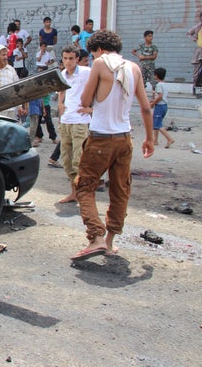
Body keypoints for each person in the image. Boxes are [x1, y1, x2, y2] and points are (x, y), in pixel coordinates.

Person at [71, 30, 154, 261]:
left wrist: (92, 104)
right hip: (124, 139)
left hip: (100, 138)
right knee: (120, 190)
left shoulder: (99, 64)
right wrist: (150, 138)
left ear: (98, 50)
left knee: (84, 187)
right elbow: (146, 108)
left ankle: (96, 237)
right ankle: (109, 242)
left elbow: (85, 101)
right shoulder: (134, 68)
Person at [56, 45, 92, 203]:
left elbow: (101, 88)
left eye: (71, 58)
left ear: (77, 59)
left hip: (80, 122)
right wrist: (60, 104)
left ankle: (84, 194)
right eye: (65, 58)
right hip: (65, 121)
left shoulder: (86, 73)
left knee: (79, 160)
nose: (68, 62)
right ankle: (74, 193)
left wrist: (92, 109)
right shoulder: (62, 74)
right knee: (67, 160)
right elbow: (61, 90)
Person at [149, 67, 175, 149]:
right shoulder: (165, 84)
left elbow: (160, 96)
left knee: (157, 125)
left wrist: (153, 103)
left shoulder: (159, 85)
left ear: (156, 75)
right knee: (157, 123)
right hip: (164, 106)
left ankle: (169, 139)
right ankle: (155, 140)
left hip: (160, 106)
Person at [190, 12, 202, 96]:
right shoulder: (198, 26)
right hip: (199, 50)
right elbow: (189, 33)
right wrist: (194, 39)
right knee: (196, 69)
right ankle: (194, 87)